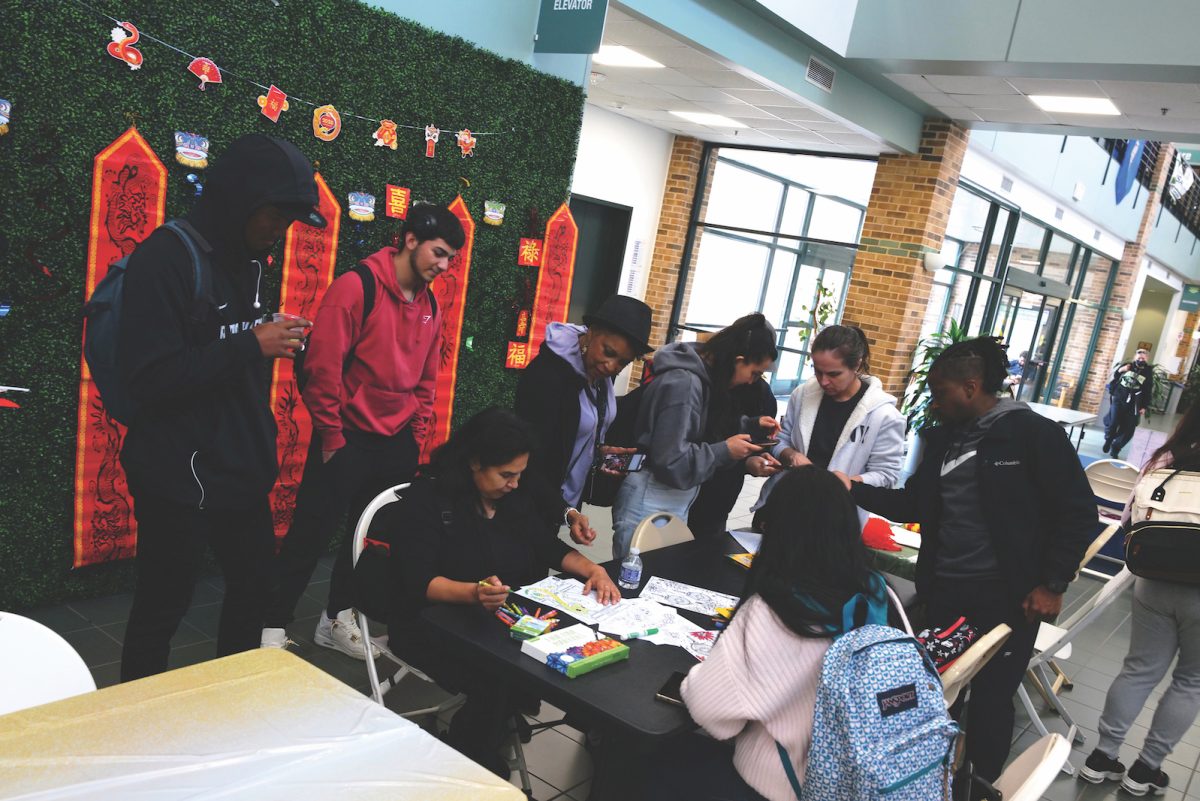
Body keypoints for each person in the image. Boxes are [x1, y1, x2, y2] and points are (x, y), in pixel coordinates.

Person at [836, 336, 1095, 789]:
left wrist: (1052, 584)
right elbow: (916, 505)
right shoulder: (945, 439)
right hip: (946, 590)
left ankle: (982, 788)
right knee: (934, 695)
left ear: (972, 387)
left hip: (1009, 598)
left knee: (993, 700)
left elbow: (1077, 514)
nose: (934, 403)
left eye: (941, 393)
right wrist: (851, 488)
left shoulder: (1032, 435)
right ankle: (926, 783)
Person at [117, 134, 324, 681]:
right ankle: (134, 721)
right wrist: (251, 344)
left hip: (237, 468)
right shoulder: (165, 257)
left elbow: (233, 367)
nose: (279, 231)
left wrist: (266, 342)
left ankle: (227, 703)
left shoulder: (251, 260)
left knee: (257, 586)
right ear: (240, 199)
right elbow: (152, 378)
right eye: (275, 216)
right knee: (162, 607)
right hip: (174, 475)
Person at [261, 203, 465, 658]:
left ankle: (336, 619)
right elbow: (321, 369)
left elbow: (427, 378)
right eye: (438, 252)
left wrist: (414, 436)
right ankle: (271, 624)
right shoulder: (356, 288)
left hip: (394, 444)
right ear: (410, 240)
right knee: (310, 534)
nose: (443, 265)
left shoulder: (430, 304)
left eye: (451, 257)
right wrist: (332, 436)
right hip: (345, 438)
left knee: (367, 539)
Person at [387, 408, 619, 774]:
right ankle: (470, 754)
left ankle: (493, 725)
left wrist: (592, 569)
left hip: (495, 619)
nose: (514, 483)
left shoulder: (513, 499)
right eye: (506, 475)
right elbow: (417, 581)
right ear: (474, 462)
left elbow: (546, 546)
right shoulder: (430, 500)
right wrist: (471, 593)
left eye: (520, 474)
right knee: (501, 677)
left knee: (557, 655)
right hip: (433, 623)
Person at [649, 468, 888, 801]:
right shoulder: (874, 591)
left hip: (779, 784)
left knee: (652, 760)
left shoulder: (778, 607)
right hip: (855, 778)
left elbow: (713, 715)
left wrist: (696, 677)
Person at [1080, 403, 1200, 796]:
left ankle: (1103, 756)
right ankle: (1146, 769)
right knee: (1191, 682)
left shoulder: (1167, 457)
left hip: (1152, 581)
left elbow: (1130, 518)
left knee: (1139, 670)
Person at [611, 314, 779, 559]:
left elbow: (703, 425)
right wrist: (725, 451)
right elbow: (671, 460)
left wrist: (751, 426)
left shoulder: (701, 379)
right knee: (633, 580)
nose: (751, 382)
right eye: (754, 373)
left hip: (669, 499)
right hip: (651, 498)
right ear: (738, 360)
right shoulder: (685, 383)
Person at [514, 294, 653, 545]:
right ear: (591, 332)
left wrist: (598, 451)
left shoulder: (596, 373)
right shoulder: (549, 376)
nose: (611, 366)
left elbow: (575, 432)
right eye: (608, 352)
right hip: (528, 501)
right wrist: (565, 511)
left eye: (622, 362)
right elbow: (531, 459)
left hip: (557, 503)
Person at [747, 324, 903, 525]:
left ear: (856, 365)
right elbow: (780, 439)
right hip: (784, 504)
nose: (824, 381)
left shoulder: (884, 416)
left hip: (833, 517)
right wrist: (791, 455)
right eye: (818, 371)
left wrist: (847, 483)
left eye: (834, 374)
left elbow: (886, 474)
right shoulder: (803, 394)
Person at [688, 376, 777, 542]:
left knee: (706, 547)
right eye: (753, 370)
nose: (751, 379)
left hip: (719, 495)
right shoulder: (700, 381)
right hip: (682, 485)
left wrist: (751, 461)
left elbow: (761, 442)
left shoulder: (761, 392)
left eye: (758, 372)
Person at [1104, 348, 1154, 460]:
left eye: (1144, 356)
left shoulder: (1148, 371)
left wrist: (1144, 406)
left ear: (1147, 358)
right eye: (1139, 355)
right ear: (1135, 357)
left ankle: (1116, 448)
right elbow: (1115, 376)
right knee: (1113, 421)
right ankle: (1108, 439)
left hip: (1135, 403)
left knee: (1128, 428)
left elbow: (1148, 390)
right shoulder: (1127, 366)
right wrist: (1121, 370)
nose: (1141, 358)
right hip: (1119, 398)